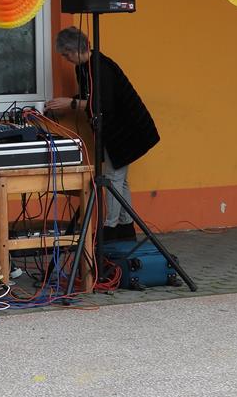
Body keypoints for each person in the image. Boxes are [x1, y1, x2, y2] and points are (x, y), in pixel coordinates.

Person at [45, 26, 160, 241]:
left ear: (76, 49)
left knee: (113, 178)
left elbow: (103, 105)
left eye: (66, 54)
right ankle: (126, 227)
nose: (65, 59)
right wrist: (69, 104)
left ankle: (110, 228)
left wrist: (70, 103)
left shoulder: (101, 67)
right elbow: (90, 98)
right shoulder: (83, 67)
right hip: (117, 130)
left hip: (129, 130)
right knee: (120, 180)